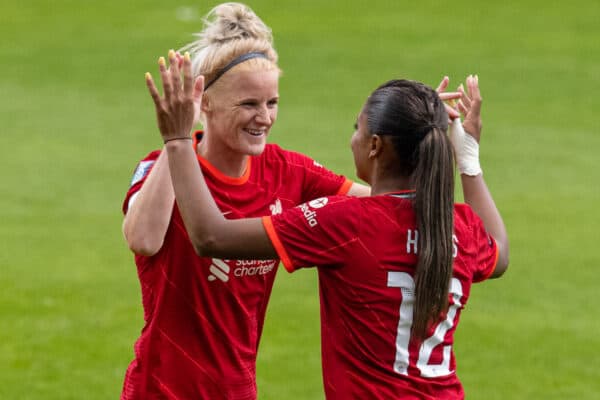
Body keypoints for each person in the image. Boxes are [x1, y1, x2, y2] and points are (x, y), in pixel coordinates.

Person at [146, 44, 509, 399]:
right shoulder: (458, 226)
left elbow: (211, 237)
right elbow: (500, 254)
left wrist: (178, 139)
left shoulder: (347, 223)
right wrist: (470, 159)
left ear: (375, 146)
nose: (352, 139)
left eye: (358, 129)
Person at [120, 3, 375, 399]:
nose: (264, 118)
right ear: (203, 101)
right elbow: (143, 240)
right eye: (249, 104)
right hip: (160, 389)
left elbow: (383, 204)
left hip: (237, 389)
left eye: (271, 103)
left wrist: (417, 140)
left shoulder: (287, 171)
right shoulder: (162, 165)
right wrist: (177, 139)